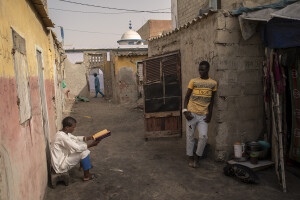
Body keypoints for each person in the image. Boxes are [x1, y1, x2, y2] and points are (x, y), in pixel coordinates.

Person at [183, 61, 217, 168]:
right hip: (191, 113)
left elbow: (212, 100)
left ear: (208, 69)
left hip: (203, 115)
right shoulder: (193, 81)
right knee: (190, 137)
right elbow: (187, 97)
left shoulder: (213, 83)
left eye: (203, 69)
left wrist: (210, 114)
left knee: (203, 137)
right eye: (200, 69)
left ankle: (197, 157)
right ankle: (190, 157)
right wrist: (185, 111)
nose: (200, 72)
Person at [51, 116, 100, 181]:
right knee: (84, 151)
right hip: (60, 166)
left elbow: (76, 138)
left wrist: (88, 138)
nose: (74, 129)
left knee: (82, 144)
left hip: (64, 158)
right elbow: (78, 148)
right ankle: (87, 176)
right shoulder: (62, 137)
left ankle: (82, 166)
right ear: (67, 127)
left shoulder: (63, 133)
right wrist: (92, 145)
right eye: (73, 127)